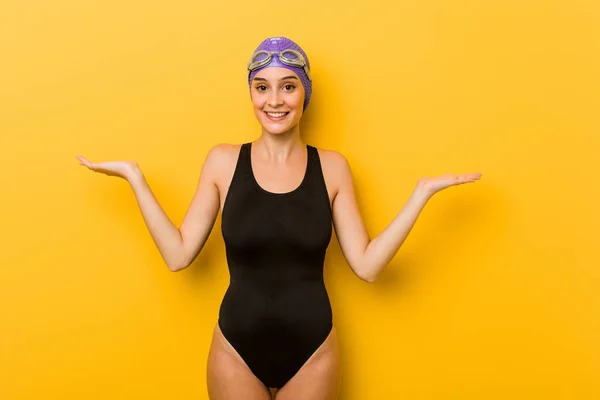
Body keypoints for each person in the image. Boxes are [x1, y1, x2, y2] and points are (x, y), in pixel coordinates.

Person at [76, 36, 482, 400]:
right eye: (262, 87)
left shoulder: (334, 168)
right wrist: (136, 179)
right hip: (236, 350)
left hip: (312, 354)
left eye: (288, 87)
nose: (274, 100)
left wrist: (421, 194)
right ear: (251, 94)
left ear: (304, 94)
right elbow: (178, 254)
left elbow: (368, 266)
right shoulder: (222, 161)